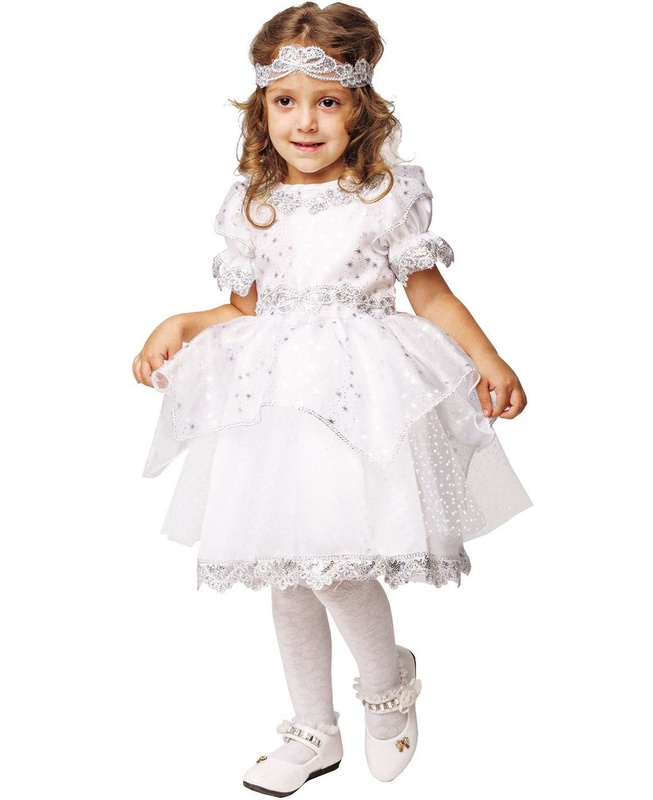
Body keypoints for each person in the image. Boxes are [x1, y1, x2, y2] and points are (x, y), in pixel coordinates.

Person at [133, 2, 531, 795]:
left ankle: (387, 689)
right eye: (285, 101)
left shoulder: (382, 195)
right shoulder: (253, 204)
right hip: (274, 403)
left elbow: (428, 295)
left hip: (357, 399)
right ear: (261, 108)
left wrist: (488, 358)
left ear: (361, 108)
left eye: (327, 101)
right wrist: (183, 321)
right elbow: (247, 309)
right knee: (285, 567)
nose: (304, 121)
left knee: (336, 567)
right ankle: (312, 729)